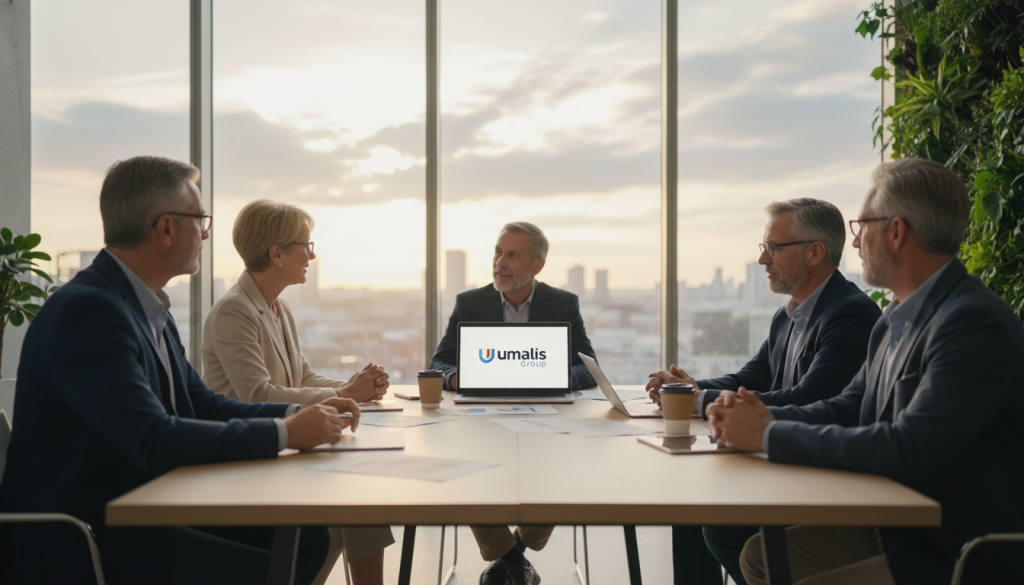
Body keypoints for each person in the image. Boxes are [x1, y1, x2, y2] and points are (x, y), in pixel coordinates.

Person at [0, 156, 360, 585]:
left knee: (307, 538)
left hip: (147, 503)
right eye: (200, 220)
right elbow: (153, 437)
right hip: (91, 530)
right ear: (167, 228)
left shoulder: (149, 307)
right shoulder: (89, 312)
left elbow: (200, 403)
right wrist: (287, 434)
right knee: (265, 567)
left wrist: (292, 417)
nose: (207, 233)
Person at [708, 158, 1024, 585]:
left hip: (955, 545)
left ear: (896, 232)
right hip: (893, 520)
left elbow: (908, 446)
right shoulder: (895, 317)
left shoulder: (971, 323)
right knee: (760, 557)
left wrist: (766, 435)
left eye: (862, 227)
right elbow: (847, 407)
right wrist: (758, 421)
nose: (854, 245)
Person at [646, 198, 881, 585]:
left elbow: (810, 398)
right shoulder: (789, 314)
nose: (763, 261)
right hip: (775, 459)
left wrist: (700, 403)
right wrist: (690, 389)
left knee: (718, 529)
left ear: (814, 252)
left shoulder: (850, 314)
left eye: (773, 248)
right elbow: (751, 377)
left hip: (814, 470)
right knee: (688, 507)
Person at [202, 199, 394, 585]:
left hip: (289, 448)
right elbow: (257, 394)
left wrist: (350, 389)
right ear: (277, 254)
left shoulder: (276, 307)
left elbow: (301, 376)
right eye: (306, 245)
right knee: (355, 511)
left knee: (363, 505)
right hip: (252, 456)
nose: (312, 254)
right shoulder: (233, 311)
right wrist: (347, 395)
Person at [428, 221, 598, 585]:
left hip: (546, 416)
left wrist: (553, 377)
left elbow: (588, 367)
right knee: (469, 468)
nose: (500, 263)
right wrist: (459, 378)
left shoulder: (563, 303)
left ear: (537, 265)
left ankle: (511, 556)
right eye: (498, 252)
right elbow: (439, 364)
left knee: (559, 465)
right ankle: (515, 561)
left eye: (512, 255)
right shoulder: (470, 303)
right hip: (481, 416)